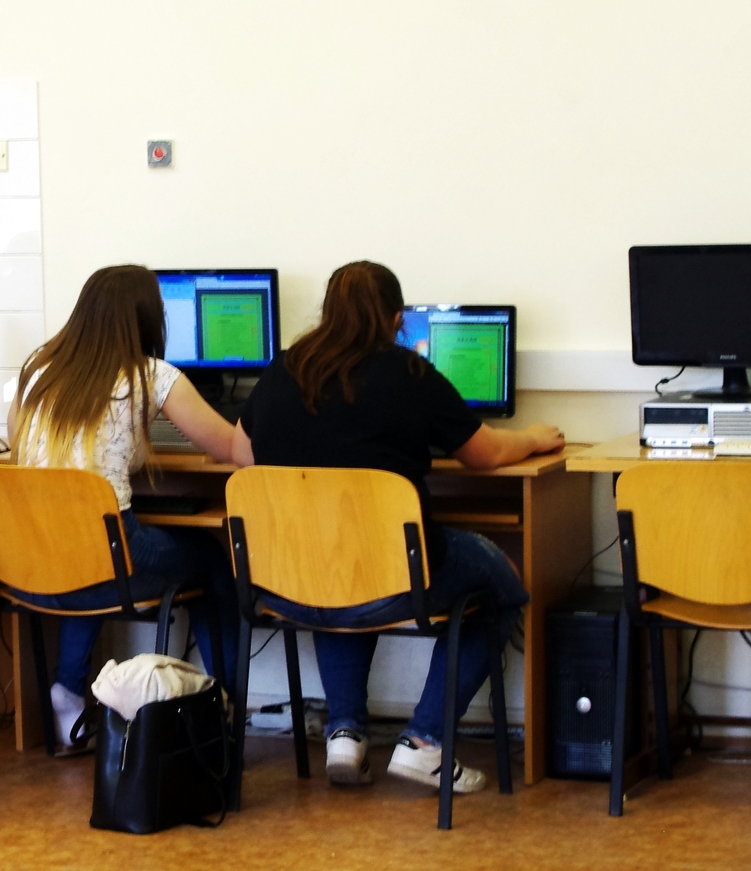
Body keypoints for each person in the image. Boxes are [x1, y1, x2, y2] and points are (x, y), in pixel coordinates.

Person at [234, 261, 564, 792]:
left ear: (327, 312)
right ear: (395, 319)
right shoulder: (410, 374)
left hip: (293, 583)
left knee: (338, 574)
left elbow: (239, 453)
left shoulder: (282, 370)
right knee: (503, 585)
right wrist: (533, 438)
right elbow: (484, 454)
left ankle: (345, 734)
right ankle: (425, 742)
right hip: (391, 575)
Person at [7, 264, 241, 752]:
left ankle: (68, 689)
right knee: (211, 556)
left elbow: (19, 454)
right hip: (104, 560)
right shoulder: (150, 374)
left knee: (86, 547)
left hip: (31, 563)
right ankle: (224, 704)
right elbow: (229, 448)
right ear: (148, 319)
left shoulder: (36, 373)